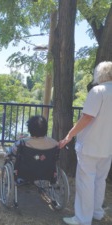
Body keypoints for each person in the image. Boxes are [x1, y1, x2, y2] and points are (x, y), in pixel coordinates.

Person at [59, 61, 112, 225]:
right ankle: (97, 212)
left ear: (100, 74)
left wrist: (69, 135)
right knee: (100, 180)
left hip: (90, 145)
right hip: (108, 146)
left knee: (86, 181)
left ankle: (82, 219)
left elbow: (87, 117)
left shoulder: (98, 91)